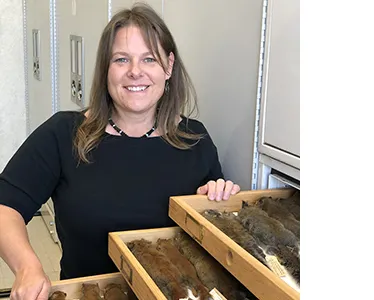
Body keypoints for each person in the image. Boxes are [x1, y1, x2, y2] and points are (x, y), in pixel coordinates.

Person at [0, 4, 240, 299]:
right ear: (106, 69)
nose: (135, 72)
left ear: (168, 66)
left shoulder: (195, 139)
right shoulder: (63, 134)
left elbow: (212, 233)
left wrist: (217, 199)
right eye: (121, 59)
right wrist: (27, 267)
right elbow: (5, 206)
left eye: (149, 59)